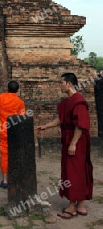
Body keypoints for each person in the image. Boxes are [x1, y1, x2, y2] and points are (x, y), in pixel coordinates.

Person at [36, 72, 93, 219]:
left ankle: (72, 207)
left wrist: (73, 143)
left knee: (73, 171)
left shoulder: (78, 100)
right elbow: (61, 119)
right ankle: (81, 205)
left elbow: (80, 125)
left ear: (69, 83)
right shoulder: (68, 101)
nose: (60, 85)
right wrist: (45, 126)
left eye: (61, 83)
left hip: (76, 139)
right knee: (78, 169)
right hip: (70, 137)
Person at [0, 80, 26, 188]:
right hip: (15, 132)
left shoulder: (2, 97)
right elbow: (22, 117)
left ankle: (5, 180)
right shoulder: (20, 102)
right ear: (18, 90)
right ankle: (15, 178)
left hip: (3, 130)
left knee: (4, 155)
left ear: (7, 89)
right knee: (15, 154)